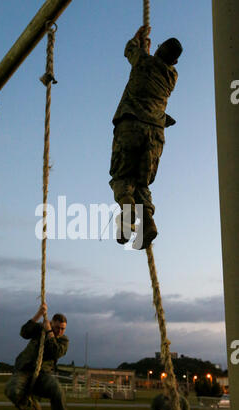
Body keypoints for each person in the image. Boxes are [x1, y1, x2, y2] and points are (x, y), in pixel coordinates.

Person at [109, 25, 183, 249]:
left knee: (122, 177)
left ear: (158, 49)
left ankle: (128, 211)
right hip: (155, 136)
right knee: (142, 183)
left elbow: (130, 49)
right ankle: (147, 223)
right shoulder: (172, 77)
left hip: (131, 125)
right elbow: (153, 67)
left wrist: (139, 41)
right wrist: (148, 51)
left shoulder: (142, 62)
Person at [4, 303, 77, 410]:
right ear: (52, 323)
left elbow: (54, 352)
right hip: (24, 370)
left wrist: (50, 331)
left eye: (63, 328)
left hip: (42, 374)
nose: (60, 331)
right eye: (57, 327)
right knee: (12, 390)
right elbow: (24, 332)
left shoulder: (63, 340)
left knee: (56, 389)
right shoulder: (40, 330)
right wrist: (38, 314)